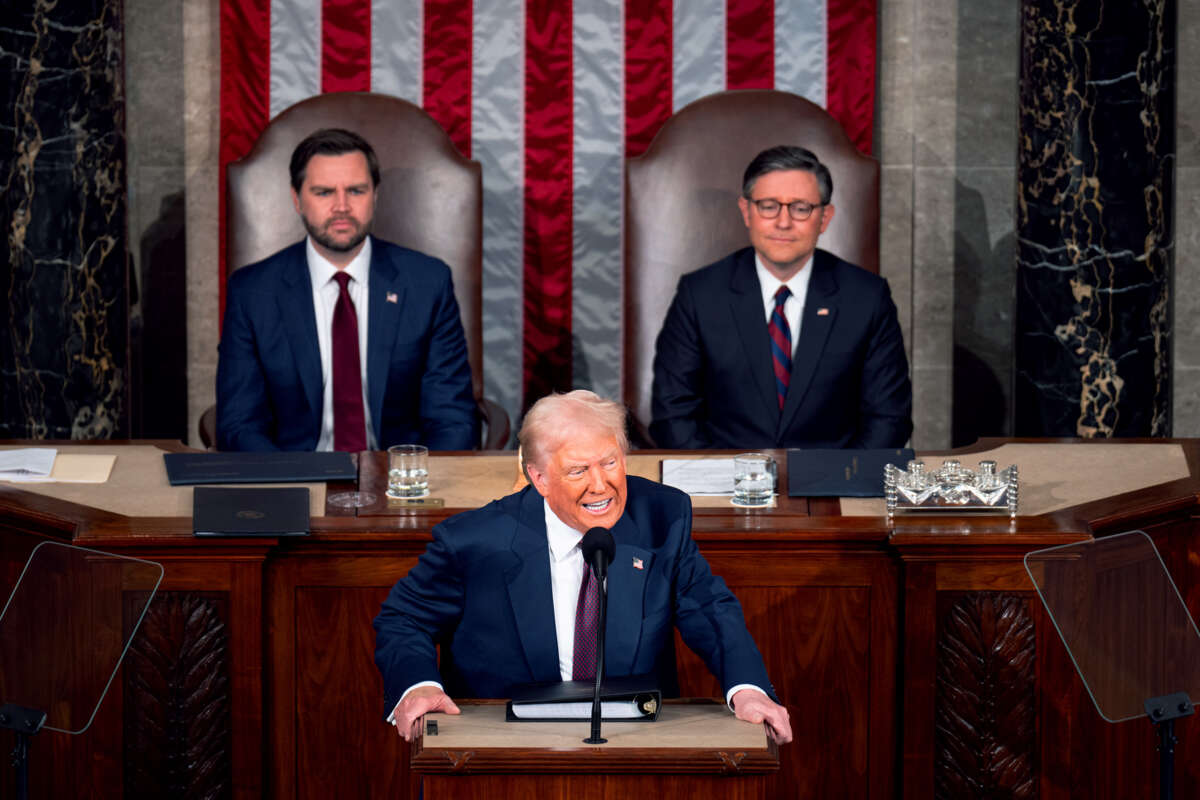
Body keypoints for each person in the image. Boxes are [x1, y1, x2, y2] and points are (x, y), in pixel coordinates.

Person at [373, 390, 792, 744]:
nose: (600, 484)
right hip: (506, 746)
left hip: (634, 743)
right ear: (538, 479)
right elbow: (403, 618)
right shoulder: (475, 540)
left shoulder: (662, 518)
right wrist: (419, 685)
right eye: (578, 470)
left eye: (610, 462)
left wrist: (747, 687)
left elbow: (710, 609)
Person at [216, 128, 477, 451]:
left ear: (375, 195)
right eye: (324, 192)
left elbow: (452, 418)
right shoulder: (253, 293)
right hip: (293, 482)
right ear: (297, 199)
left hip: (401, 485)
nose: (341, 206)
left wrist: (419, 486)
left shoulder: (427, 283)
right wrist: (286, 487)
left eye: (355, 191)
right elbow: (240, 424)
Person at [650, 145, 912, 450]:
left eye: (801, 208)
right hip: (723, 485)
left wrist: (841, 483)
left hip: (833, 487)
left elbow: (888, 418)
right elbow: (673, 414)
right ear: (747, 211)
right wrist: (718, 483)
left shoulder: (867, 298)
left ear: (825, 217)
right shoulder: (699, 295)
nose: (784, 222)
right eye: (769, 206)